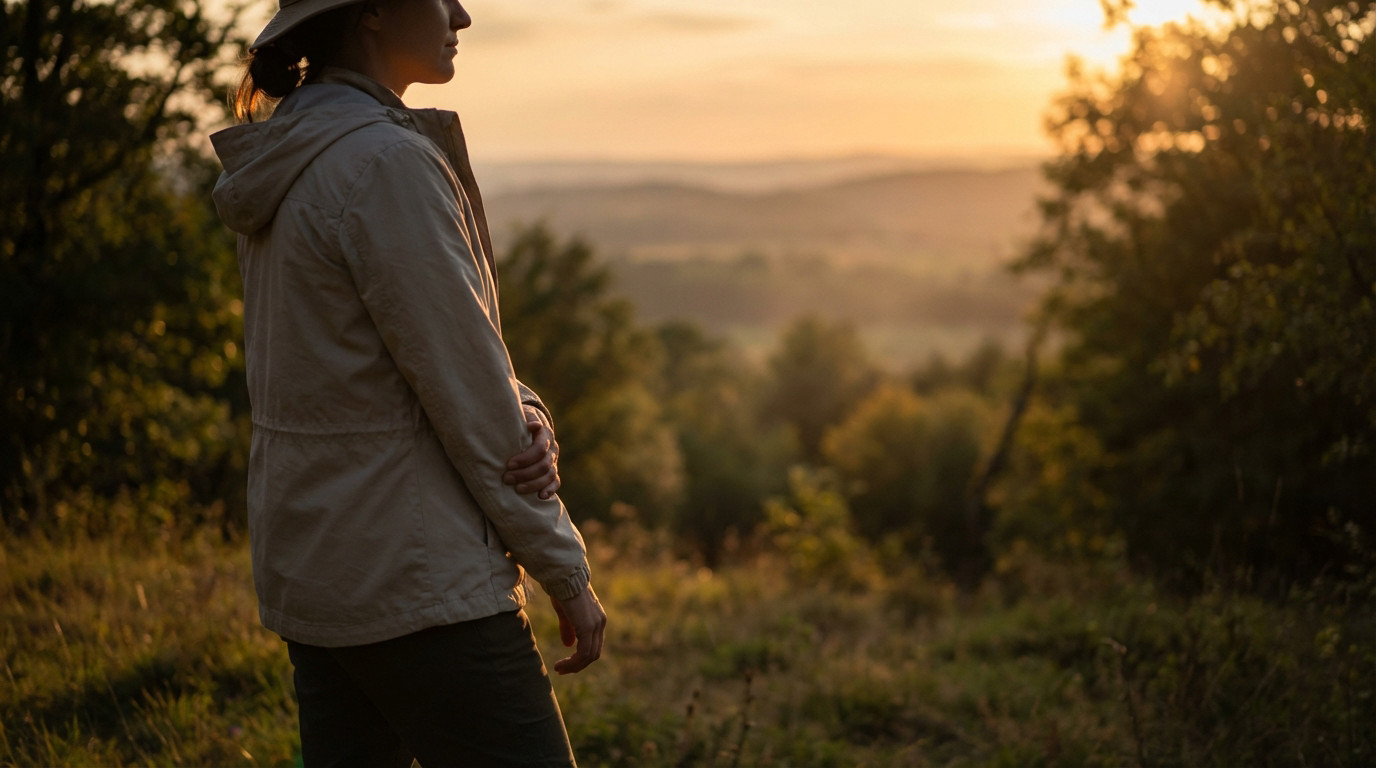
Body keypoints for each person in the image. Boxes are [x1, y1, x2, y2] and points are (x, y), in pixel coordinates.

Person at [209, 0, 606, 765]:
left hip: (323, 572)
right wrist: (564, 568)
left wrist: (522, 404)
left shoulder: (300, 152)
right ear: (374, 15)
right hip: (420, 582)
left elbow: (400, 360)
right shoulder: (383, 164)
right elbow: (463, 388)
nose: (461, 13)